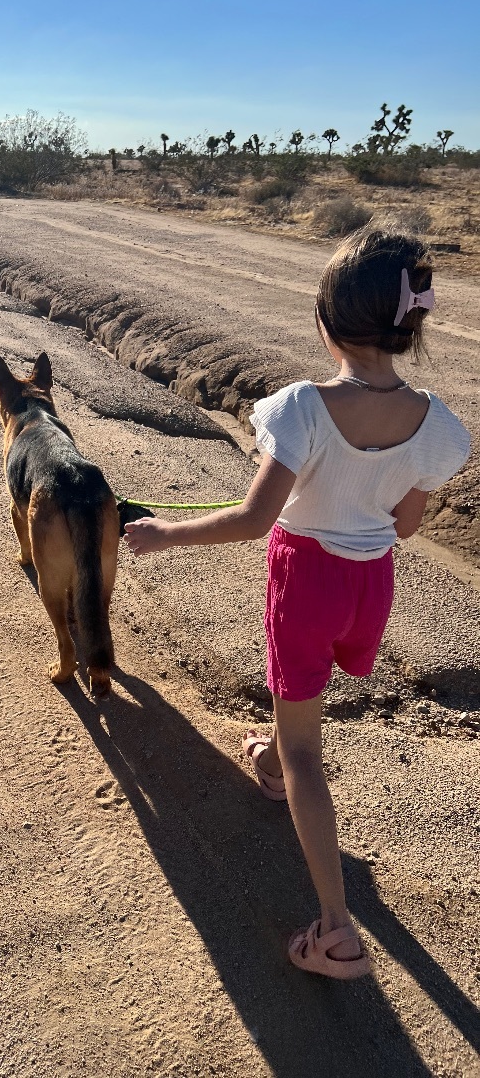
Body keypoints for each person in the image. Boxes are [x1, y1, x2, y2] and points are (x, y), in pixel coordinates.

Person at [123, 226, 471, 980]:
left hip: (307, 582)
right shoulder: (438, 424)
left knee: (310, 741)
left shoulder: (299, 409)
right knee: (299, 711)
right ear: (410, 327)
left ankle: (338, 930)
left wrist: (164, 534)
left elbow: (253, 520)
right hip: (369, 586)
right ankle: (273, 762)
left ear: (324, 321)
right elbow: (405, 525)